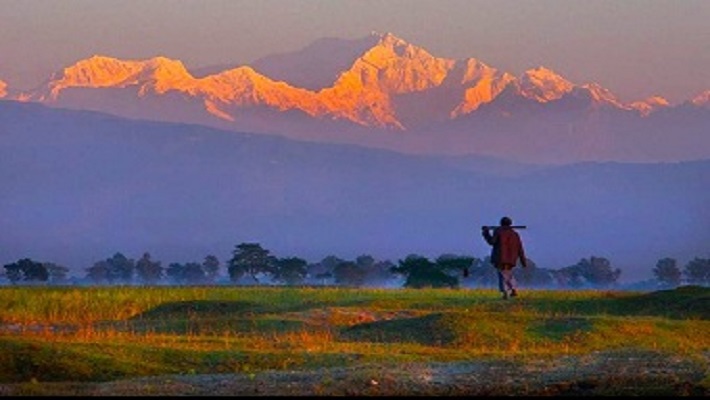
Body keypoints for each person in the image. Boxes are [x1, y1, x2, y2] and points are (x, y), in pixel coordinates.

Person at [482, 216, 527, 299]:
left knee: (502, 274)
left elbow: (492, 242)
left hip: (500, 257)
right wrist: (523, 261)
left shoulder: (498, 231)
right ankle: (513, 290)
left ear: (501, 223)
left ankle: (505, 292)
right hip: (512, 259)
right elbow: (520, 248)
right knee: (507, 273)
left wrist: (486, 233)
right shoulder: (515, 234)